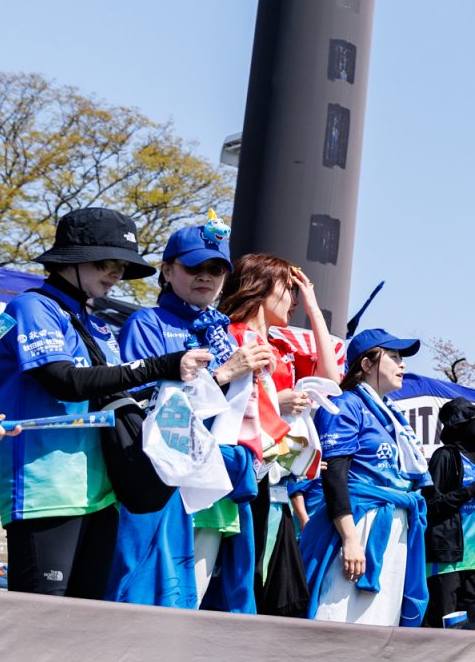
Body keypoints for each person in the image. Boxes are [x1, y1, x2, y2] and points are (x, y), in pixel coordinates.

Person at [0, 208, 213, 598]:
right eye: (104, 261)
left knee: (86, 622)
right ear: (70, 259)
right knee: (39, 621)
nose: (115, 273)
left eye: (122, 265)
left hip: (102, 495)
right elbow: (64, 382)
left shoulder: (96, 323)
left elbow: (116, 393)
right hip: (47, 491)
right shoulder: (33, 306)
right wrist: (160, 365)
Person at [111, 217, 277, 610]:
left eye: (216, 269)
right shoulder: (146, 323)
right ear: (167, 271)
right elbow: (142, 406)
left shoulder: (224, 332)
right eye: (193, 266)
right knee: (156, 601)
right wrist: (224, 375)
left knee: (200, 606)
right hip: (166, 484)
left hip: (221, 483)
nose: (205, 276)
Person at [214, 252, 342, 616]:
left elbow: (331, 379)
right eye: (289, 289)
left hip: (270, 480)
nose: (295, 300)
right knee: (229, 575)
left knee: (255, 578)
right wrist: (276, 400)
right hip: (231, 472)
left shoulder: (280, 346)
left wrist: (314, 307)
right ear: (261, 286)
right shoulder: (228, 335)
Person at [298, 329, 432, 626]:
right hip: (359, 521)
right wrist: (350, 539)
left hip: (394, 523)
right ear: (367, 364)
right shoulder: (345, 404)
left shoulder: (393, 417)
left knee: (382, 619)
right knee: (339, 614)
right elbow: (335, 476)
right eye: (393, 357)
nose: (402, 365)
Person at [423, 397, 475, 627]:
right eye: (473, 420)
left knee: (470, 631)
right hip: (448, 560)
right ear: (458, 425)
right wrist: (468, 492)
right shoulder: (444, 456)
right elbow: (430, 505)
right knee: (444, 629)